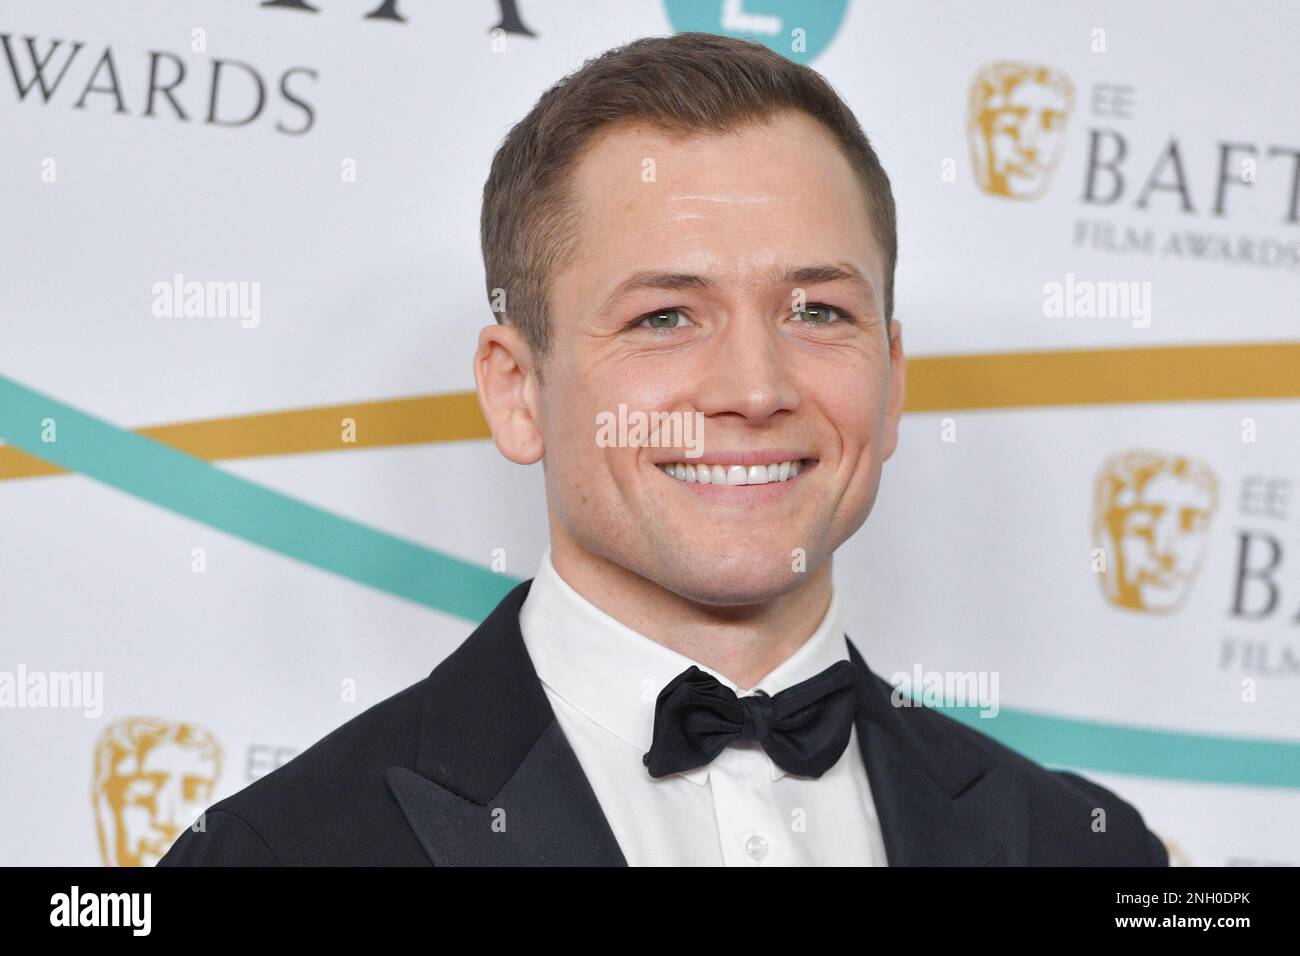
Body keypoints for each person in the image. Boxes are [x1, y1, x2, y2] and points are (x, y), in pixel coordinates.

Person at [158, 32, 1168, 867]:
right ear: (517, 390)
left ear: (893, 379)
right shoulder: (278, 852)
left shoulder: (1085, 850)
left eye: (817, 309)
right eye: (664, 317)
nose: (755, 390)